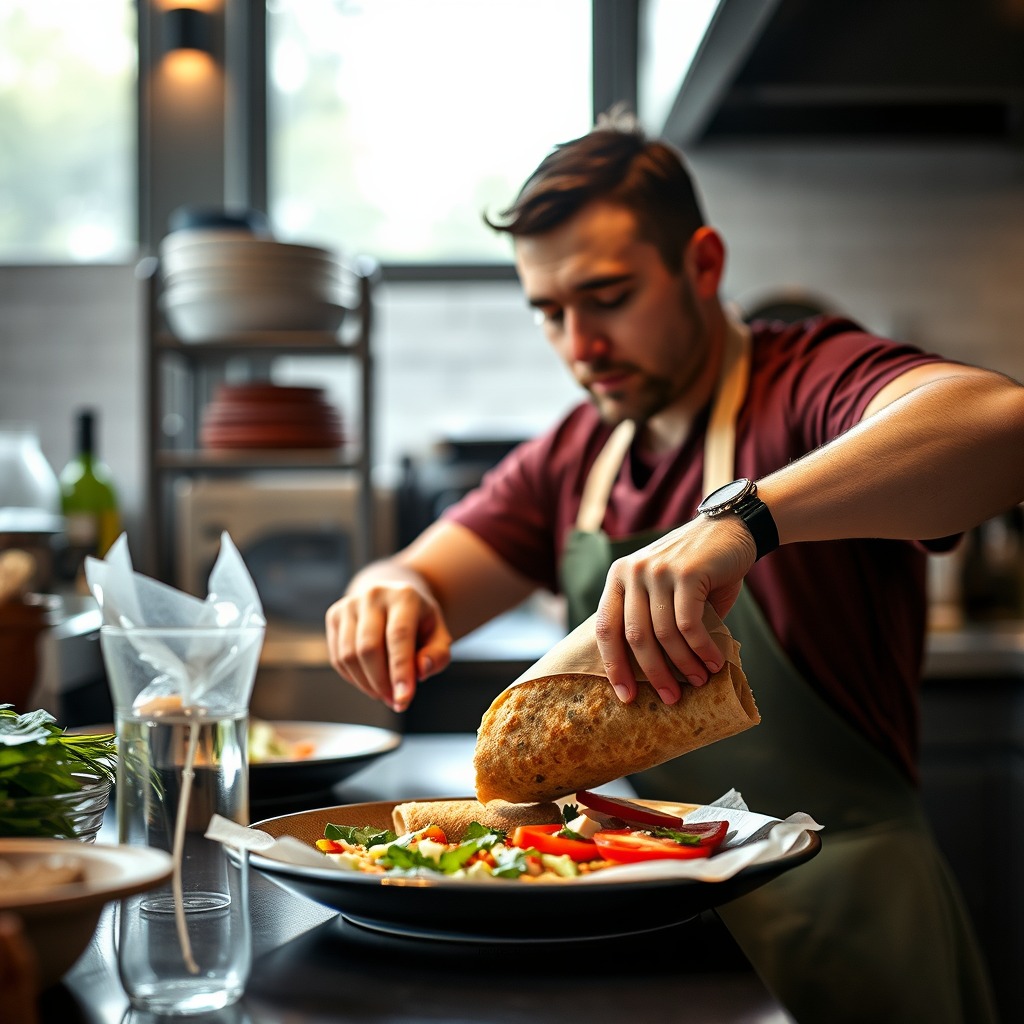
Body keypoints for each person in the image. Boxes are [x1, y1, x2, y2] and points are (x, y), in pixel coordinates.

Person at [326, 110, 1024, 1023]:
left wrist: (748, 518)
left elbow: (999, 428)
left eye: (607, 297)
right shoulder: (580, 454)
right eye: (549, 313)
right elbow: (429, 577)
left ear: (702, 264)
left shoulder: (803, 381)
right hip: (665, 922)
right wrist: (391, 589)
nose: (579, 345)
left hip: (852, 921)